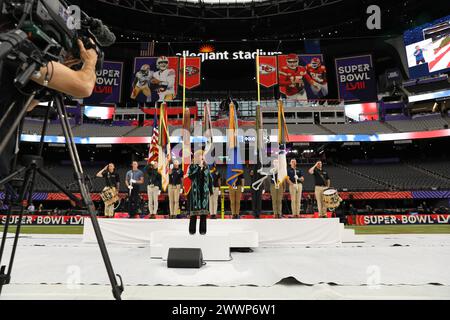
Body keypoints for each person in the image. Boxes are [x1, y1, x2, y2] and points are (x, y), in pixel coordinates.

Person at [0, 37, 98, 182]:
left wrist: (56, 76)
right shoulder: (16, 48)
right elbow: (85, 86)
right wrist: (90, 62)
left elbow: (25, 106)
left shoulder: (6, 48)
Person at [185, 151, 213, 235]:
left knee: (203, 214)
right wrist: (198, 168)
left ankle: (203, 231)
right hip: (195, 193)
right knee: (193, 214)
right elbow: (190, 176)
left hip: (204, 193)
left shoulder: (206, 167)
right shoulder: (192, 166)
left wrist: (211, 190)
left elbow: (210, 178)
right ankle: (192, 231)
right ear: (197, 157)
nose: (203, 157)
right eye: (202, 155)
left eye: (203, 156)